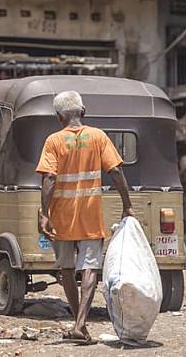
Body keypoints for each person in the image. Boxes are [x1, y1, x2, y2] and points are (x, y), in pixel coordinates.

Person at [35, 91, 134, 345]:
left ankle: (78, 324)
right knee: (90, 266)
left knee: (66, 268)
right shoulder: (98, 136)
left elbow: (49, 178)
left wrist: (44, 214)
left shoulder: (53, 141)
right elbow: (116, 171)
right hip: (90, 213)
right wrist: (127, 205)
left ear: (59, 117)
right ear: (84, 111)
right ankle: (80, 324)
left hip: (62, 216)